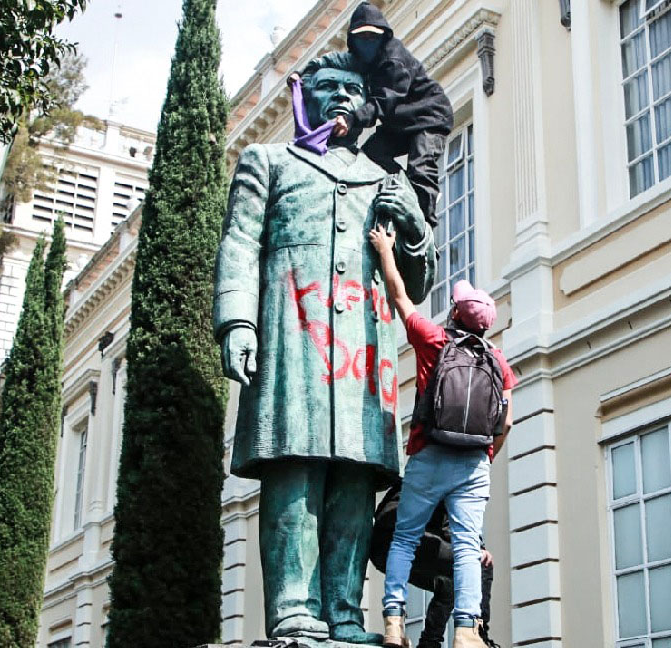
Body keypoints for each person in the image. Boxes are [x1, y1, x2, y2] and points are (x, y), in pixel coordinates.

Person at [214, 59, 436, 644]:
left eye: (353, 90)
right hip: (294, 335)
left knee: (354, 479)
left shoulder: (384, 180)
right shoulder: (269, 163)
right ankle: (293, 609)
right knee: (296, 468)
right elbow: (240, 244)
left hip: (365, 350)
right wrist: (238, 320)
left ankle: (344, 611)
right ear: (303, 98)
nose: (341, 98)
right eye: (328, 88)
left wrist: (412, 219)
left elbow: (418, 278)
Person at [367, 224, 517, 648]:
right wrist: (486, 456)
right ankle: (467, 633)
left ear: (454, 314)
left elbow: (400, 297)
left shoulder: (434, 341)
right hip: (473, 463)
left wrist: (385, 251)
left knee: (405, 536)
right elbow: (505, 422)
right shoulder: (499, 363)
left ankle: (395, 624)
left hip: (429, 454)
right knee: (469, 548)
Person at [290, 1, 454, 228]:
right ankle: (404, 185)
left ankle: (424, 221)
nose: (367, 43)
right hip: (401, 123)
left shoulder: (393, 61)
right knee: (369, 156)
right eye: (362, 38)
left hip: (429, 117)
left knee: (421, 167)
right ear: (353, 41)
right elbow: (332, 61)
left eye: (372, 38)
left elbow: (385, 101)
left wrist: (351, 119)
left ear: (383, 37)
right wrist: (301, 74)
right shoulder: (360, 60)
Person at [370, 483, 499, 648]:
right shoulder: (455, 473)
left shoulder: (421, 469)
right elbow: (452, 520)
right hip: (403, 539)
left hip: (384, 545)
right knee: (478, 566)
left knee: (452, 579)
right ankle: (477, 636)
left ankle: (402, 630)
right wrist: (477, 549)